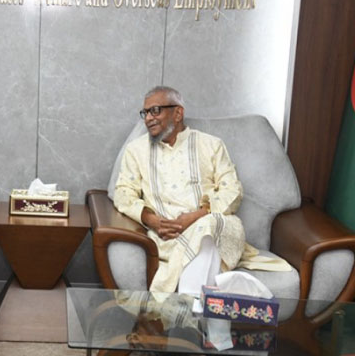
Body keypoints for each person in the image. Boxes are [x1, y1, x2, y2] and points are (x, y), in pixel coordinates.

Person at [114, 86, 289, 295]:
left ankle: (187, 306)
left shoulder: (211, 145)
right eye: (145, 113)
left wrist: (195, 217)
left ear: (178, 113)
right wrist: (152, 220)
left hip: (215, 227)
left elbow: (232, 191)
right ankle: (205, 308)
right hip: (167, 236)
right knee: (205, 239)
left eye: (156, 111)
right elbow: (123, 193)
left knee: (208, 226)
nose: (149, 118)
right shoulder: (136, 150)